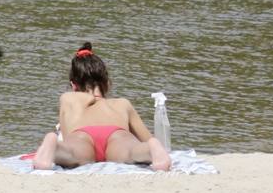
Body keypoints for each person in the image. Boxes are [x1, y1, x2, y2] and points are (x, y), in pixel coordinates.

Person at [31, 42, 171, 171]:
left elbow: (69, 137)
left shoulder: (69, 99)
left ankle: (53, 145)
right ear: (107, 83)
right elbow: (145, 136)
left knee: (70, 152)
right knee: (132, 151)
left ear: (73, 85)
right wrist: (151, 142)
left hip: (82, 135)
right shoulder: (122, 104)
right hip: (117, 134)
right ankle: (150, 150)